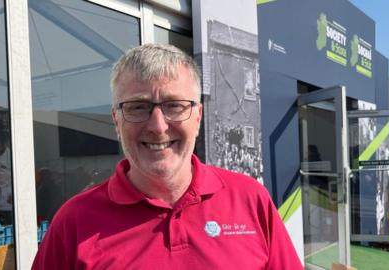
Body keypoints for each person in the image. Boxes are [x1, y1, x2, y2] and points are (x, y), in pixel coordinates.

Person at [32, 44, 302, 269]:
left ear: (198, 116)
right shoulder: (74, 222)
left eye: (174, 105)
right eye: (138, 107)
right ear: (116, 120)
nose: (158, 126)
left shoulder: (250, 199)